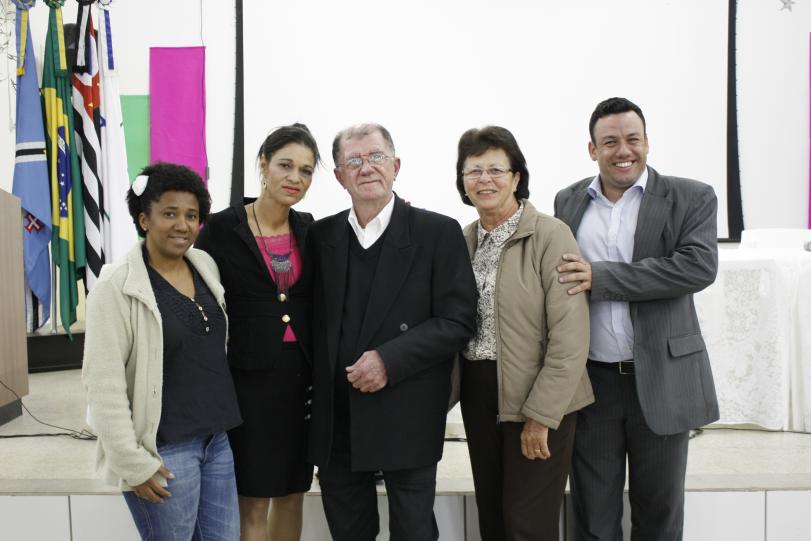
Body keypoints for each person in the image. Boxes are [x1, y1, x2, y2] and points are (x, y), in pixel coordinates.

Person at [554, 97, 719, 541]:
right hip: (594, 384)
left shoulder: (692, 196)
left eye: (633, 139)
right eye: (610, 142)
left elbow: (696, 268)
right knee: (592, 518)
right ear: (592, 149)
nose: (623, 150)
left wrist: (602, 278)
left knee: (659, 517)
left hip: (663, 378)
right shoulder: (568, 200)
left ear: (647, 143)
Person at [307, 123, 477, 541]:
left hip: (407, 411)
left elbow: (458, 321)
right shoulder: (320, 236)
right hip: (337, 418)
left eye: (376, 157)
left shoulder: (437, 232)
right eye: (354, 160)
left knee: (413, 531)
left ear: (395, 166)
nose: (366, 168)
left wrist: (389, 360)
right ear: (340, 176)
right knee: (348, 532)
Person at [82, 162, 242, 540]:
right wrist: (132, 464)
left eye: (191, 215)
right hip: (164, 453)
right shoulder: (117, 286)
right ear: (144, 219)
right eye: (169, 213)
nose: (182, 225)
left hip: (216, 443)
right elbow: (103, 384)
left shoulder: (204, 265)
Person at [454, 126, 593, 541]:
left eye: (496, 169)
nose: (485, 180)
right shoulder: (464, 240)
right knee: (494, 519)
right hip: (480, 394)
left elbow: (570, 336)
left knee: (526, 525)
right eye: (473, 171)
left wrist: (542, 415)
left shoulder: (550, 235)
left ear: (516, 177)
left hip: (538, 398)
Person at [195, 124, 319, 541]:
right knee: (252, 497)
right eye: (285, 165)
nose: (295, 178)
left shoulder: (310, 229)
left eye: (305, 170)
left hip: (300, 380)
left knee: (293, 492)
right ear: (263, 165)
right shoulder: (221, 228)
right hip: (246, 380)